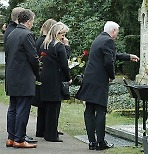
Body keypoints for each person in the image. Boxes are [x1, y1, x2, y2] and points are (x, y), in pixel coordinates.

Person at [75, 21, 139, 150]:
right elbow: (109, 61)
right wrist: (111, 75)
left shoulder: (99, 39)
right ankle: (101, 143)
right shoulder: (108, 41)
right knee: (101, 110)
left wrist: (128, 56)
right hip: (99, 80)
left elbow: (111, 55)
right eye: (117, 32)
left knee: (89, 109)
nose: (117, 35)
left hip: (89, 78)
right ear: (113, 31)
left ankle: (92, 142)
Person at [5, 9, 39, 148]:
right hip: (24, 77)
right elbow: (33, 58)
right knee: (23, 109)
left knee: (13, 108)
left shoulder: (11, 33)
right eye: (33, 21)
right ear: (29, 21)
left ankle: (11, 138)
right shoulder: (27, 34)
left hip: (12, 76)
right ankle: (19, 139)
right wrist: (37, 73)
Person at [31, 19, 65, 137]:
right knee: (52, 106)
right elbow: (63, 62)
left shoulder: (42, 43)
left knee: (43, 106)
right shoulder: (55, 44)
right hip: (53, 78)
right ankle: (50, 131)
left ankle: (41, 130)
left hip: (42, 76)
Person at [39, 22, 72, 142]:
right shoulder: (59, 46)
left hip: (45, 77)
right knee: (54, 107)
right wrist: (69, 78)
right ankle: (51, 135)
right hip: (55, 78)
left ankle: (45, 131)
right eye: (62, 34)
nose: (63, 37)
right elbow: (64, 65)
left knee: (47, 106)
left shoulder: (45, 44)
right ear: (57, 33)